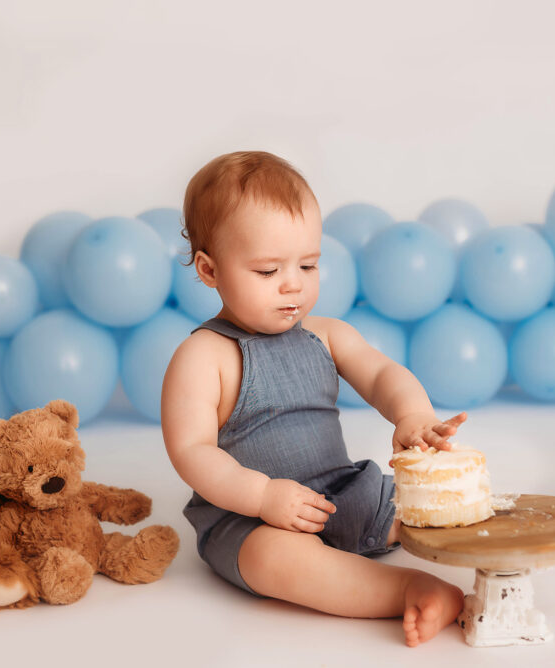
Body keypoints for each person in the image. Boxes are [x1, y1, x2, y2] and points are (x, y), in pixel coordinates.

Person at [161, 150, 466, 647]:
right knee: (275, 561)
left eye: (308, 264)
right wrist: (262, 496)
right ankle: (409, 587)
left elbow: (383, 373)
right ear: (210, 269)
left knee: (440, 498)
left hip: (343, 493)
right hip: (252, 518)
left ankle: (535, 534)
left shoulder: (326, 335)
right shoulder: (204, 356)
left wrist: (412, 415)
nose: (293, 284)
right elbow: (191, 452)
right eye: (267, 271)